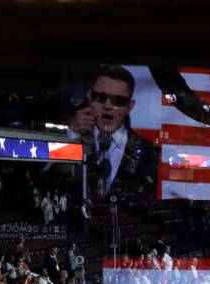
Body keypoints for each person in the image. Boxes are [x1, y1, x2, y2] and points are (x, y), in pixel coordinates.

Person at [67, 65, 158, 201]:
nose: (108, 106)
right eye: (100, 97)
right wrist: (71, 131)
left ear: (130, 106)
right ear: (89, 96)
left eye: (118, 100)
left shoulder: (148, 150)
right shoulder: (73, 134)